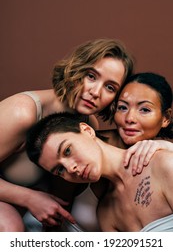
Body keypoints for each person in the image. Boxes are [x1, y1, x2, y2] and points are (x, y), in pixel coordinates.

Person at [0, 38, 137, 231]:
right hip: (15, 211)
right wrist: (29, 198)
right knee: (10, 226)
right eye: (91, 76)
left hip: (31, 213)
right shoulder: (22, 112)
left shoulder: (89, 124)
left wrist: (163, 148)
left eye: (110, 87)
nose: (96, 92)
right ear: (75, 68)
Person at [26, 72, 173, 232]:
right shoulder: (105, 213)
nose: (70, 169)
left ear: (87, 130)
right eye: (60, 170)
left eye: (67, 151)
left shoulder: (164, 164)